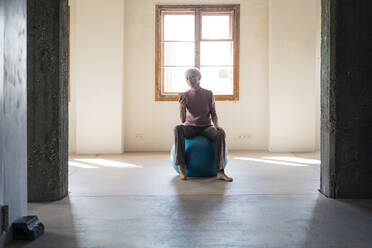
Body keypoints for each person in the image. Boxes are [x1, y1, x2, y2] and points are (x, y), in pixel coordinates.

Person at [174, 68, 233, 182]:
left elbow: (214, 114)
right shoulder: (185, 95)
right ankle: (181, 166)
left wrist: (216, 126)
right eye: (187, 78)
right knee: (177, 129)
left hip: (206, 127)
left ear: (199, 78)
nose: (189, 80)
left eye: (192, 77)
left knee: (220, 134)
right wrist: (181, 106)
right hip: (190, 127)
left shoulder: (208, 94)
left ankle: (220, 172)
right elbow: (182, 120)